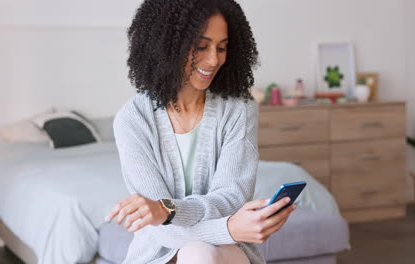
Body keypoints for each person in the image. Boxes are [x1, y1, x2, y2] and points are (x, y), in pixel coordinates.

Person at [105, 0, 296, 263]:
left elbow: (230, 198)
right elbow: (161, 229)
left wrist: (168, 210)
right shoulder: (133, 120)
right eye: (201, 46)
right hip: (158, 253)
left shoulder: (240, 108)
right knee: (198, 252)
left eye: (222, 47)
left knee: (201, 253)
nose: (214, 59)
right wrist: (229, 228)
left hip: (224, 251)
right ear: (167, 45)